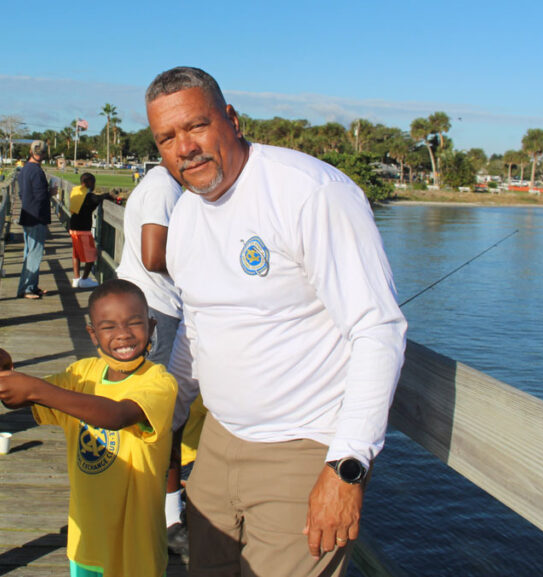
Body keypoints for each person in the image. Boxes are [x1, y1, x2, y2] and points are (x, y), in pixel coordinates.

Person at [146, 66, 407, 576]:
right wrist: (166, 419)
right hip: (218, 441)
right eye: (167, 138)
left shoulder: (309, 192)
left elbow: (378, 329)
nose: (185, 148)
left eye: (196, 126)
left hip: (303, 448)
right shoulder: (187, 216)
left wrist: (346, 468)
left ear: (232, 120)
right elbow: (196, 330)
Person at [0, 279, 178, 577]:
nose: (123, 334)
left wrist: (35, 388)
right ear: (93, 334)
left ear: (151, 326)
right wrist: (3, 368)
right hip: (85, 543)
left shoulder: (160, 382)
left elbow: (117, 414)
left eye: (134, 323)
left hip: (136, 550)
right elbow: (23, 399)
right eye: (108, 326)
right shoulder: (81, 374)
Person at [114, 164, 190, 545]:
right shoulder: (164, 188)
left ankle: (151, 507)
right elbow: (153, 256)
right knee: (163, 419)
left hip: (146, 307)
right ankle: (167, 518)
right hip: (157, 312)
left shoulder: (159, 184)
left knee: (150, 415)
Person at [16, 140, 57, 299]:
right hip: (36, 217)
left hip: (26, 215)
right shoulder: (37, 171)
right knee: (35, 254)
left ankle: (30, 287)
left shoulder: (24, 169)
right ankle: (27, 289)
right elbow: (40, 196)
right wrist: (51, 193)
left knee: (29, 252)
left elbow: (21, 194)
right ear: (44, 154)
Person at [68, 173, 116, 288]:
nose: (94, 185)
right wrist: (108, 195)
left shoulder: (76, 192)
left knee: (77, 254)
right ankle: (84, 279)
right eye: (93, 182)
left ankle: (76, 278)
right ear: (88, 182)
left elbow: (94, 199)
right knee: (91, 256)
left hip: (73, 228)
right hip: (83, 230)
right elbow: (97, 199)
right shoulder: (88, 196)